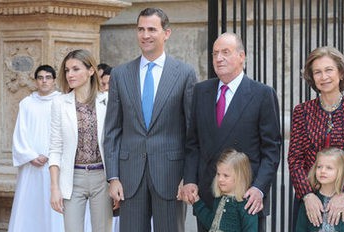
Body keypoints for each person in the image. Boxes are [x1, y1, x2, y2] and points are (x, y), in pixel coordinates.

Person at [104, 7, 198, 232]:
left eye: (151, 29)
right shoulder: (120, 74)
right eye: (141, 29)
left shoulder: (184, 73)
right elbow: (112, 131)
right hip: (129, 177)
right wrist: (113, 177)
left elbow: (191, 131)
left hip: (170, 176)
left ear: (166, 33)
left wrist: (188, 176)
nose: (145, 35)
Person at [181, 32, 282, 232]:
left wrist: (259, 188)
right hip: (208, 195)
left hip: (246, 198)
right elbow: (193, 143)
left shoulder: (262, 94)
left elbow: (271, 150)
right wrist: (190, 179)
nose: (219, 58)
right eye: (215, 53)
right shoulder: (201, 91)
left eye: (225, 52)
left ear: (242, 56)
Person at [288, 46, 344, 228]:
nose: (323, 77)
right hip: (309, 198)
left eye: (328, 70)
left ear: (341, 73)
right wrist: (307, 196)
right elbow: (295, 159)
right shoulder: (302, 112)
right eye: (317, 72)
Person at [49, 49, 113, 232]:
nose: (70, 74)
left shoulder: (107, 101)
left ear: (91, 70)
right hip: (72, 178)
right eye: (67, 70)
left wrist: (116, 180)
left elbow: (116, 144)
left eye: (76, 69)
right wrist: (54, 188)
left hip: (102, 177)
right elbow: (55, 148)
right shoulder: (60, 103)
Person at [9, 65, 64, 232]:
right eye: (40, 78)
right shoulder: (26, 103)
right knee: (30, 206)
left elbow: (66, 131)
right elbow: (20, 132)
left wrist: (52, 154)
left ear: (54, 80)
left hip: (55, 163)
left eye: (48, 77)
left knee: (55, 205)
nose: (44, 81)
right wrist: (30, 156)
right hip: (31, 165)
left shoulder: (63, 101)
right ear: (36, 81)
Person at [295, 147, 344, 232]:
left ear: (340, 171)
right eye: (319, 167)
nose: (322, 171)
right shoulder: (309, 203)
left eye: (329, 168)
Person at [189, 149, 258, 232]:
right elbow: (212, 223)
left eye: (226, 175)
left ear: (240, 177)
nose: (220, 179)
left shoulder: (246, 204)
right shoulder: (219, 199)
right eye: (218, 174)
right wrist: (197, 202)